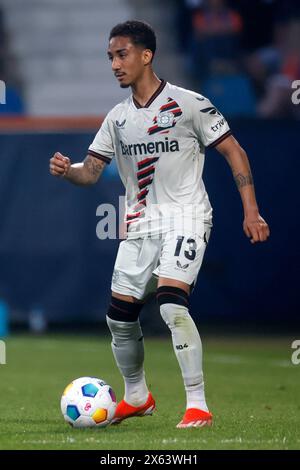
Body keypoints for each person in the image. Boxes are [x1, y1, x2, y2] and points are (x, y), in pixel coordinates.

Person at [49, 20, 270, 428]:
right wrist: (69, 170)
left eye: (122, 54)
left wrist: (251, 210)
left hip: (186, 216)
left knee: (171, 302)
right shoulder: (116, 119)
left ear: (146, 55)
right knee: (118, 316)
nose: (114, 64)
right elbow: (92, 172)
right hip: (139, 225)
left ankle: (198, 405)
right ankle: (137, 396)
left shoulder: (190, 104)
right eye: (110, 57)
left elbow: (235, 152)